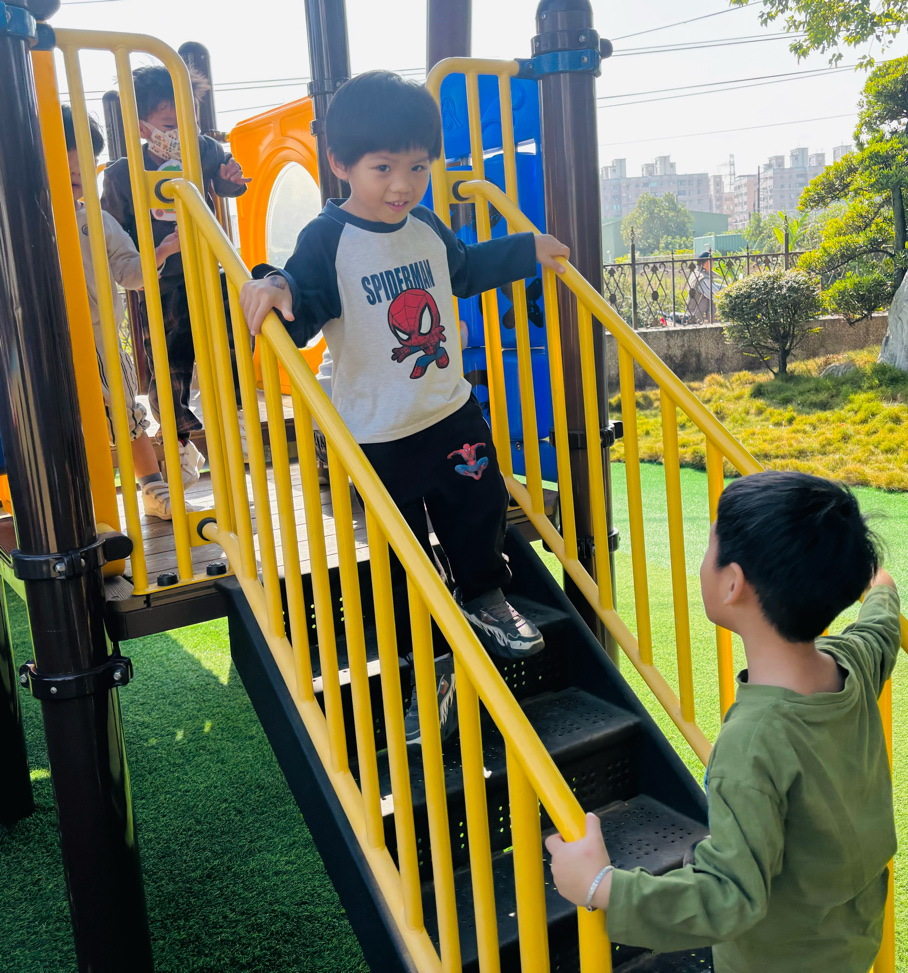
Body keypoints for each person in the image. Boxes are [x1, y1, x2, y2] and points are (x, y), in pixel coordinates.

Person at [239, 71, 570, 745]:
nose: (403, 185)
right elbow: (301, 297)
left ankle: (485, 595)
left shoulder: (423, 225)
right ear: (341, 164)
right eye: (383, 168)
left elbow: (463, 268)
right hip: (377, 434)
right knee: (401, 556)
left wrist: (524, 250)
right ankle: (430, 664)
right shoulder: (328, 236)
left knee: (479, 508)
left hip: (449, 411)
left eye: (418, 167)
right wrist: (273, 285)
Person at [545, 470, 901, 973]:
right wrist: (880, 586)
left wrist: (600, 885)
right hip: (849, 941)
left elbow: (728, 896)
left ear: (732, 583)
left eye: (709, 548)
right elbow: (881, 627)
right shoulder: (853, 663)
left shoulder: (753, 742)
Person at [102, 65, 250, 488]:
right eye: (169, 125)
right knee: (169, 363)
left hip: (208, 269)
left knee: (231, 342)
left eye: (188, 120)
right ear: (142, 127)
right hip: (162, 282)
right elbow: (116, 234)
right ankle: (179, 440)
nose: (181, 132)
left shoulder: (202, 150)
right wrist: (152, 254)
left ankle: (237, 417)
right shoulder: (122, 174)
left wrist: (231, 181)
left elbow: (228, 181)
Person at [65, 106, 192, 521]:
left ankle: (153, 488)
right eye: (65, 166)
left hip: (99, 338)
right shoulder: (20, 222)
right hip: (43, 342)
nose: (76, 174)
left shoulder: (97, 222)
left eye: (84, 168)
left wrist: (163, 250)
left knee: (124, 414)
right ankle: (72, 501)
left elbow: (131, 272)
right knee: (59, 423)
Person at [684, 249, 720, 323]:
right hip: (696, 317)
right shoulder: (702, 278)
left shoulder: (696, 273)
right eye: (712, 262)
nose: (713, 264)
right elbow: (715, 294)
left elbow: (713, 286)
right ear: (708, 262)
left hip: (695, 314)